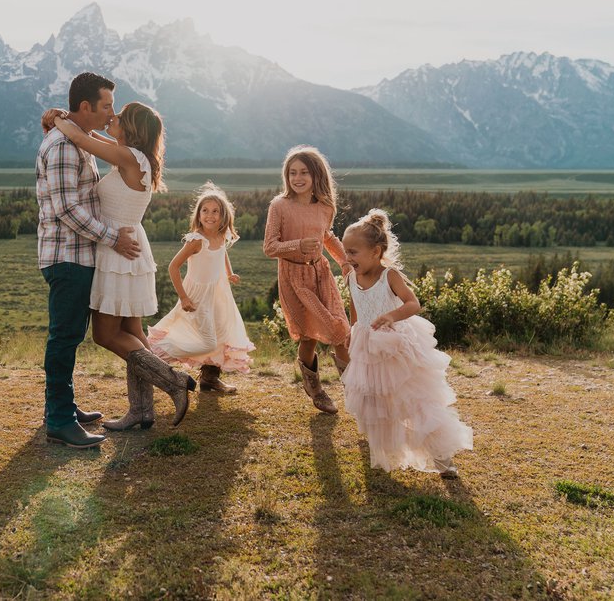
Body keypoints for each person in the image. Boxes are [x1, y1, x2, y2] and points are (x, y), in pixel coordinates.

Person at [43, 102, 196, 432]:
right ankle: (141, 410)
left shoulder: (129, 158)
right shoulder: (132, 155)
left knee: (106, 334)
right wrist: (76, 123)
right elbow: (92, 136)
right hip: (126, 246)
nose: (113, 118)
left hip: (118, 251)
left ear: (133, 129)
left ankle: (173, 382)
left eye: (120, 117)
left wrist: (57, 117)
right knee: (133, 333)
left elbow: (84, 141)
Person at [36, 72, 142, 448]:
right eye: (107, 105)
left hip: (78, 254)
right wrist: (114, 238)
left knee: (70, 336)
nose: (111, 112)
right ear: (86, 107)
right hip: (67, 256)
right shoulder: (64, 146)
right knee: (64, 337)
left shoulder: (75, 140)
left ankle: (61, 407)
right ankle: (60, 421)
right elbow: (67, 209)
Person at [340, 209, 473, 478]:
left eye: (353, 252)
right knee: (371, 398)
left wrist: (391, 315)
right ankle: (377, 447)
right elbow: (355, 304)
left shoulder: (390, 276)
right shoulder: (351, 276)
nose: (347, 257)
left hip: (395, 344)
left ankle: (442, 459)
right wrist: (351, 329)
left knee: (414, 400)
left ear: (376, 252)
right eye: (346, 251)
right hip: (366, 345)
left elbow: (413, 303)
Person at [263, 146, 352, 415]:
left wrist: (346, 262)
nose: (297, 178)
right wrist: (298, 245)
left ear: (316, 175)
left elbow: (327, 237)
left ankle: (355, 389)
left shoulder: (325, 207)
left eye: (303, 172)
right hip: (294, 278)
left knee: (341, 331)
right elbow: (269, 247)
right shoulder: (279, 206)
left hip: (321, 273)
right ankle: (315, 389)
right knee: (309, 338)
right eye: (292, 172)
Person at [148, 183, 255, 394]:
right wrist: (184, 297)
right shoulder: (197, 241)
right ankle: (156, 354)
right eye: (205, 210)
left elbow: (222, 252)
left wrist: (229, 272)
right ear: (198, 214)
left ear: (224, 216)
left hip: (218, 293)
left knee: (223, 334)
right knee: (207, 342)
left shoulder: (221, 236)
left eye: (215, 211)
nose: (210, 215)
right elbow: (173, 267)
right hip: (197, 296)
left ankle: (209, 379)